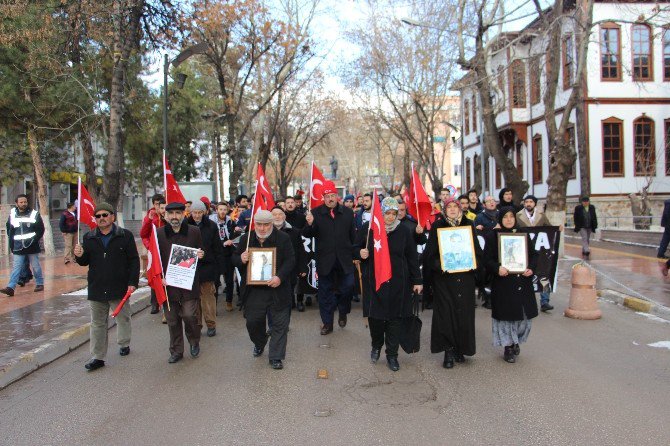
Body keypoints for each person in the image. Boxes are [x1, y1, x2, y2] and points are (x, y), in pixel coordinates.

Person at [354, 198, 422, 371]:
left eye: (394, 213)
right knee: (376, 319)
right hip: (374, 281)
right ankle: (376, 345)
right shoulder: (369, 229)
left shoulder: (404, 230)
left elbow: (412, 257)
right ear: (381, 213)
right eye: (387, 213)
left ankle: (392, 355)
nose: (391, 217)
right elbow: (353, 247)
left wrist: (417, 280)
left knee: (395, 319)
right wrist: (360, 252)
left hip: (399, 282)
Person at [73, 202, 139, 371]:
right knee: (97, 324)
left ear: (112, 217)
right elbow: (85, 261)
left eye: (104, 215)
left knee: (123, 317)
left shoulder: (125, 235)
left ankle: (124, 343)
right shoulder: (89, 237)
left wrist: (132, 282)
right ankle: (98, 357)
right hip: (97, 286)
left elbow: (133, 260)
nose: (101, 218)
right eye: (98, 216)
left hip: (119, 286)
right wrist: (79, 256)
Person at [423, 197, 482, 369]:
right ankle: (448, 350)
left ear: (461, 209)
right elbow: (429, 255)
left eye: (456, 206)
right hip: (444, 279)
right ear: (444, 210)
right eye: (449, 207)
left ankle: (461, 348)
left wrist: (473, 264)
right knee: (445, 315)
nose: (453, 210)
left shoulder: (469, 225)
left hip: (465, 278)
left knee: (464, 314)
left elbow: (477, 252)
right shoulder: (438, 226)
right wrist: (441, 266)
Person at [233, 210, 295, 370]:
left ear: (272, 223)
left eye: (266, 224)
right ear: (254, 223)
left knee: (280, 324)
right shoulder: (247, 238)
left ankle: (276, 357)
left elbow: (290, 260)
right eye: (259, 224)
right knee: (253, 322)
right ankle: (259, 342)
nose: (262, 228)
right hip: (254, 291)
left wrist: (279, 277)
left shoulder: (283, 238)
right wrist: (241, 258)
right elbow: (233, 258)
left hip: (277, 289)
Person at [483, 207, 538, 363]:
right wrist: (497, 268)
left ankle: (516, 341)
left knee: (523, 318)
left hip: (522, 282)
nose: (508, 219)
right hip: (503, 283)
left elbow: (533, 255)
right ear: (500, 219)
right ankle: (508, 347)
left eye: (511, 216)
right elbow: (486, 259)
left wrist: (531, 268)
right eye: (505, 217)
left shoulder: (523, 235)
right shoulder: (493, 236)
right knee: (506, 318)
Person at [303, 180, 356, 335]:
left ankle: (343, 310)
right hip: (325, 260)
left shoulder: (347, 213)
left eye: (333, 195)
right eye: (327, 196)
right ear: (323, 198)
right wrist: (310, 224)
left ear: (337, 196)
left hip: (345, 259)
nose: (330, 199)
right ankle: (327, 323)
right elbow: (307, 234)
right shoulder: (315, 213)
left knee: (348, 287)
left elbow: (353, 236)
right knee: (325, 293)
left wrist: (356, 254)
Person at [157, 202, 205, 364]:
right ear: (166, 215)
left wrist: (200, 255)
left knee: (190, 315)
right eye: (171, 214)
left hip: (188, 283)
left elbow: (201, 251)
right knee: (172, 319)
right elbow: (155, 260)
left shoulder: (194, 231)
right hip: (168, 285)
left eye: (178, 213)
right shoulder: (159, 234)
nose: (174, 216)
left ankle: (194, 340)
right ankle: (176, 351)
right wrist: (159, 277)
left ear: (184, 214)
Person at [516, 195, 559, 312]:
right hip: (523, 251)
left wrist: (557, 230)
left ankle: (545, 301)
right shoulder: (517, 216)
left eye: (531, 202)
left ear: (535, 203)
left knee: (543, 275)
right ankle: (522, 301)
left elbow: (549, 229)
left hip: (540, 252)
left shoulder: (541, 216)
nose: (528, 204)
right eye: (526, 202)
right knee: (524, 275)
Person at [188, 200, 224, 337]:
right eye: (194, 212)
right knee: (194, 299)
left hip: (208, 266)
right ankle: (197, 324)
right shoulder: (185, 225)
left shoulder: (211, 226)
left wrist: (219, 269)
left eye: (199, 213)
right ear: (190, 212)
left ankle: (211, 324)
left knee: (208, 298)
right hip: (190, 267)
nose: (197, 215)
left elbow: (217, 247)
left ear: (204, 212)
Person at [1, 194, 45, 296]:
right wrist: (12, 241)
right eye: (21, 202)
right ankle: (10, 287)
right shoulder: (12, 214)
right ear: (17, 203)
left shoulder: (34, 214)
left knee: (35, 266)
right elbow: (9, 227)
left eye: (25, 202)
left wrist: (34, 240)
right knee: (17, 267)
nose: (24, 204)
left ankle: (39, 283)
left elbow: (40, 229)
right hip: (18, 246)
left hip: (31, 245)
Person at [272, 206, 306, 311]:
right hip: (272, 267)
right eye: (274, 214)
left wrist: (303, 268)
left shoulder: (294, 232)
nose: (277, 217)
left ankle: (293, 304)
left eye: (280, 214)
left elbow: (301, 250)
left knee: (290, 289)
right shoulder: (265, 232)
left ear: (284, 216)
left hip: (290, 267)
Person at [140, 196, 166, 314]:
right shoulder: (150, 217)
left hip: (165, 251)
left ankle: (166, 303)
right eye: (156, 205)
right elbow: (144, 234)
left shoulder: (168, 217)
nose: (158, 208)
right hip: (154, 252)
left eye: (160, 205)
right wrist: (150, 247)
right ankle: (154, 304)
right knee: (154, 275)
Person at [210, 201, 238, 311]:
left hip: (228, 254)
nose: (222, 211)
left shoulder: (231, 222)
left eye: (224, 210)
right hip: (216, 254)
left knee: (229, 280)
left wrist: (235, 235)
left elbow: (236, 236)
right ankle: (214, 305)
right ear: (216, 210)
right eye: (220, 209)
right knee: (216, 281)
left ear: (227, 210)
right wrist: (222, 243)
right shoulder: (211, 222)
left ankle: (229, 302)